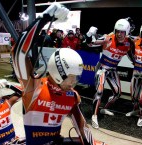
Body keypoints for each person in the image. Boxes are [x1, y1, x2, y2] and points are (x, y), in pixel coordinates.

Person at [11, 3, 107, 145]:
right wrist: (43, 19)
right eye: (71, 79)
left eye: (76, 79)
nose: (74, 83)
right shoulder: (34, 87)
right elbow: (18, 53)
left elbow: (82, 127)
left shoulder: (72, 95)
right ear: (58, 72)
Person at [89, 19, 135, 129]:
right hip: (102, 68)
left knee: (118, 93)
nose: (119, 34)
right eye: (117, 31)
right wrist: (89, 34)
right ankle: (94, 116)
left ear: (127, 32)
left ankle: (104, 108)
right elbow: (90, 43)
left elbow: (132, 56)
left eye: (122, 32)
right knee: (99, 91)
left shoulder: (129, 42)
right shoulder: (108, 37)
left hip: (113, 69)